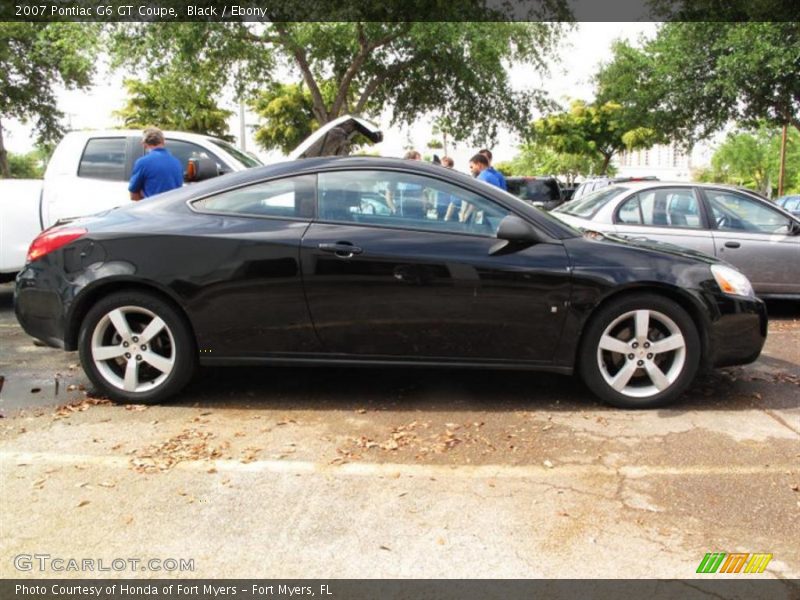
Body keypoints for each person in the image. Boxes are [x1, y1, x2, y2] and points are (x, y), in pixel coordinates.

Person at [128, 127, 184, 201]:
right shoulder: (177, 162)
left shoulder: (143, 163)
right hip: (173, 206)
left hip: (153, 207)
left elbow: (133, 196)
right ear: (163, 142)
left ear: (144, 144)